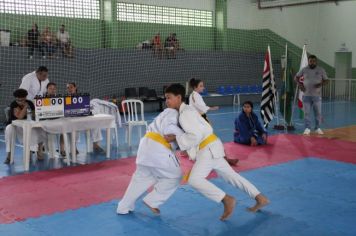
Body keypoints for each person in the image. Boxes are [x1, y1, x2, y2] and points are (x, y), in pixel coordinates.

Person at [164, 84, 269, 221]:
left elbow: (195, 135)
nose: (166, 101)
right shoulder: (187, 111)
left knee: (194, 180)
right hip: (212, 146)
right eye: (165, 98)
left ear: (178, 97)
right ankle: (260, 198)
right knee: (231, 176)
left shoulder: (185, 114)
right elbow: (200, 131)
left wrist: (176, 138)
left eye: (169, 98)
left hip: (207, 149)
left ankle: (226, 200)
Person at [117, 107, 183, 215]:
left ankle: (123, 207)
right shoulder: (174, 112)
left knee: (141, 178)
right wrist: (183, 136)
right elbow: (169, 129)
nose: (167, 101)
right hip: (158, 149)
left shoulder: (165, 112)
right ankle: (152, 200)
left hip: (145, 146)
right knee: (175, 176)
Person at [189, 78, 237, 166]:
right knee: (212, 139)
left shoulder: (193, 95)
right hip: (199, 119)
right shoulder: (195, 95)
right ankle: (224, 158)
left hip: (198, 119)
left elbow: (199, 107)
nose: (203, 88)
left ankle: (222, 158)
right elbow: (201, 107)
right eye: (201, 86)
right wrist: (212, 108)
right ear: (195, 87)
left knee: (202, 139)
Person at [59, 82, 104, 156]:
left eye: (71, 87)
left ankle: (95, 145)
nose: (69, 89)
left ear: (75, 88)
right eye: (68, 88)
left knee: (95, 125)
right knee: (69, 128)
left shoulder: (82, 97)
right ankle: (72, 147)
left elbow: (87, 108)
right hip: (72, 120)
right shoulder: (64, 98)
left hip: (83, 118)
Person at [4, 89, 46, 164]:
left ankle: (38, 150)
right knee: (8, 130)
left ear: (25, 97)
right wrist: (25, 107)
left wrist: (35, 113)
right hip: (13, 125)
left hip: (26, 124)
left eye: (22, 100)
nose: (19, 101)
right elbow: (19, 117)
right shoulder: (14, 104)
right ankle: (9, 155)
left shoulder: (30, 103)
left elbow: (34, 115)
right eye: (18, 100)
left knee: (40, 129)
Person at [294, 55, 328, 135]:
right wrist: (300, 85)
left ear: (316, 61)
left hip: (317, 96)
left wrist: (321, 84)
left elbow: (327, 80)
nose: (312, 62)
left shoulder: (321, 70)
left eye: (313, 61)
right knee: (307, 113)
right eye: (310, 61)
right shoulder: (304, 69)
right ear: (308, 61)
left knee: (318, 113)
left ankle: (318, 128)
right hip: (306, 96)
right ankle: (307, 128)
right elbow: (296, 77)